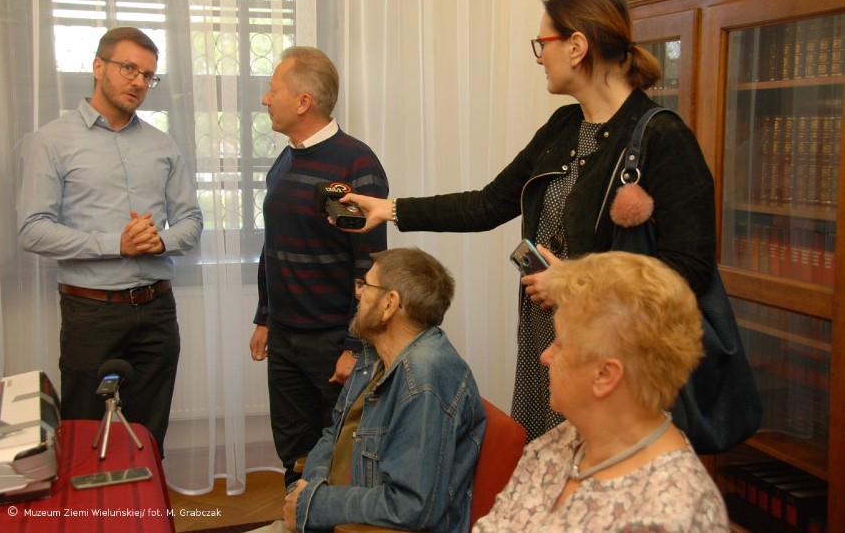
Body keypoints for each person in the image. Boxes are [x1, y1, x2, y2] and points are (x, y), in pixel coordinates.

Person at [334, 0, 715, 442]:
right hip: (547, 339)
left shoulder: (662, 137)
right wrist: (389, 209)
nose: (540, 56)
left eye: (544, 43)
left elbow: (687, 270)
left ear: (577, 46)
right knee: (545, 477)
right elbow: (488, 204)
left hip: (613, 358)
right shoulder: (564, 125)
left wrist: (576, 282)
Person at [17, 26, 203, 454]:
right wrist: (114, 244)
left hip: (157, 311)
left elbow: (191, 221)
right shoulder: (51, 141)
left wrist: (162, 242)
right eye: (129, 68)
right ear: (98, 66)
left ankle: (145, 515)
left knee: (148, 436)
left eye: (149, 75)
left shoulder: (162, 145)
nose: (139, 81)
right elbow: (32, 229)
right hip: (91, 313)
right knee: (84, 436)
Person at [473, 251, 729, 531]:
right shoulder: (564, 440)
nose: (545, 356)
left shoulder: (670, 510)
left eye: (560, 343)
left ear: (605, 375)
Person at [249, 46, 389, 492]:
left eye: (273, 90)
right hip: (285, 339)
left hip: (333, 343)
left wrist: (354, 345)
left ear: (304, 101)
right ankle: (296, 517)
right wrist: (264, 317)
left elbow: (370, 265)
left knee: (339, 457)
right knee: (294, 450)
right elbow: (273, 248)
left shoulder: (356, 164)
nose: (265, 100)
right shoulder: (285, 160)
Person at [282, 247, 486, 533]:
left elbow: (410, 507)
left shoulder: (425, 381)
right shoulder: (373, 355)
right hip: (334, 518)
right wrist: (310, 491)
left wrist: (314, 504)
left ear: (389, 304)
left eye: (365, 285)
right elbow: (333, 435)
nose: (358, 294)